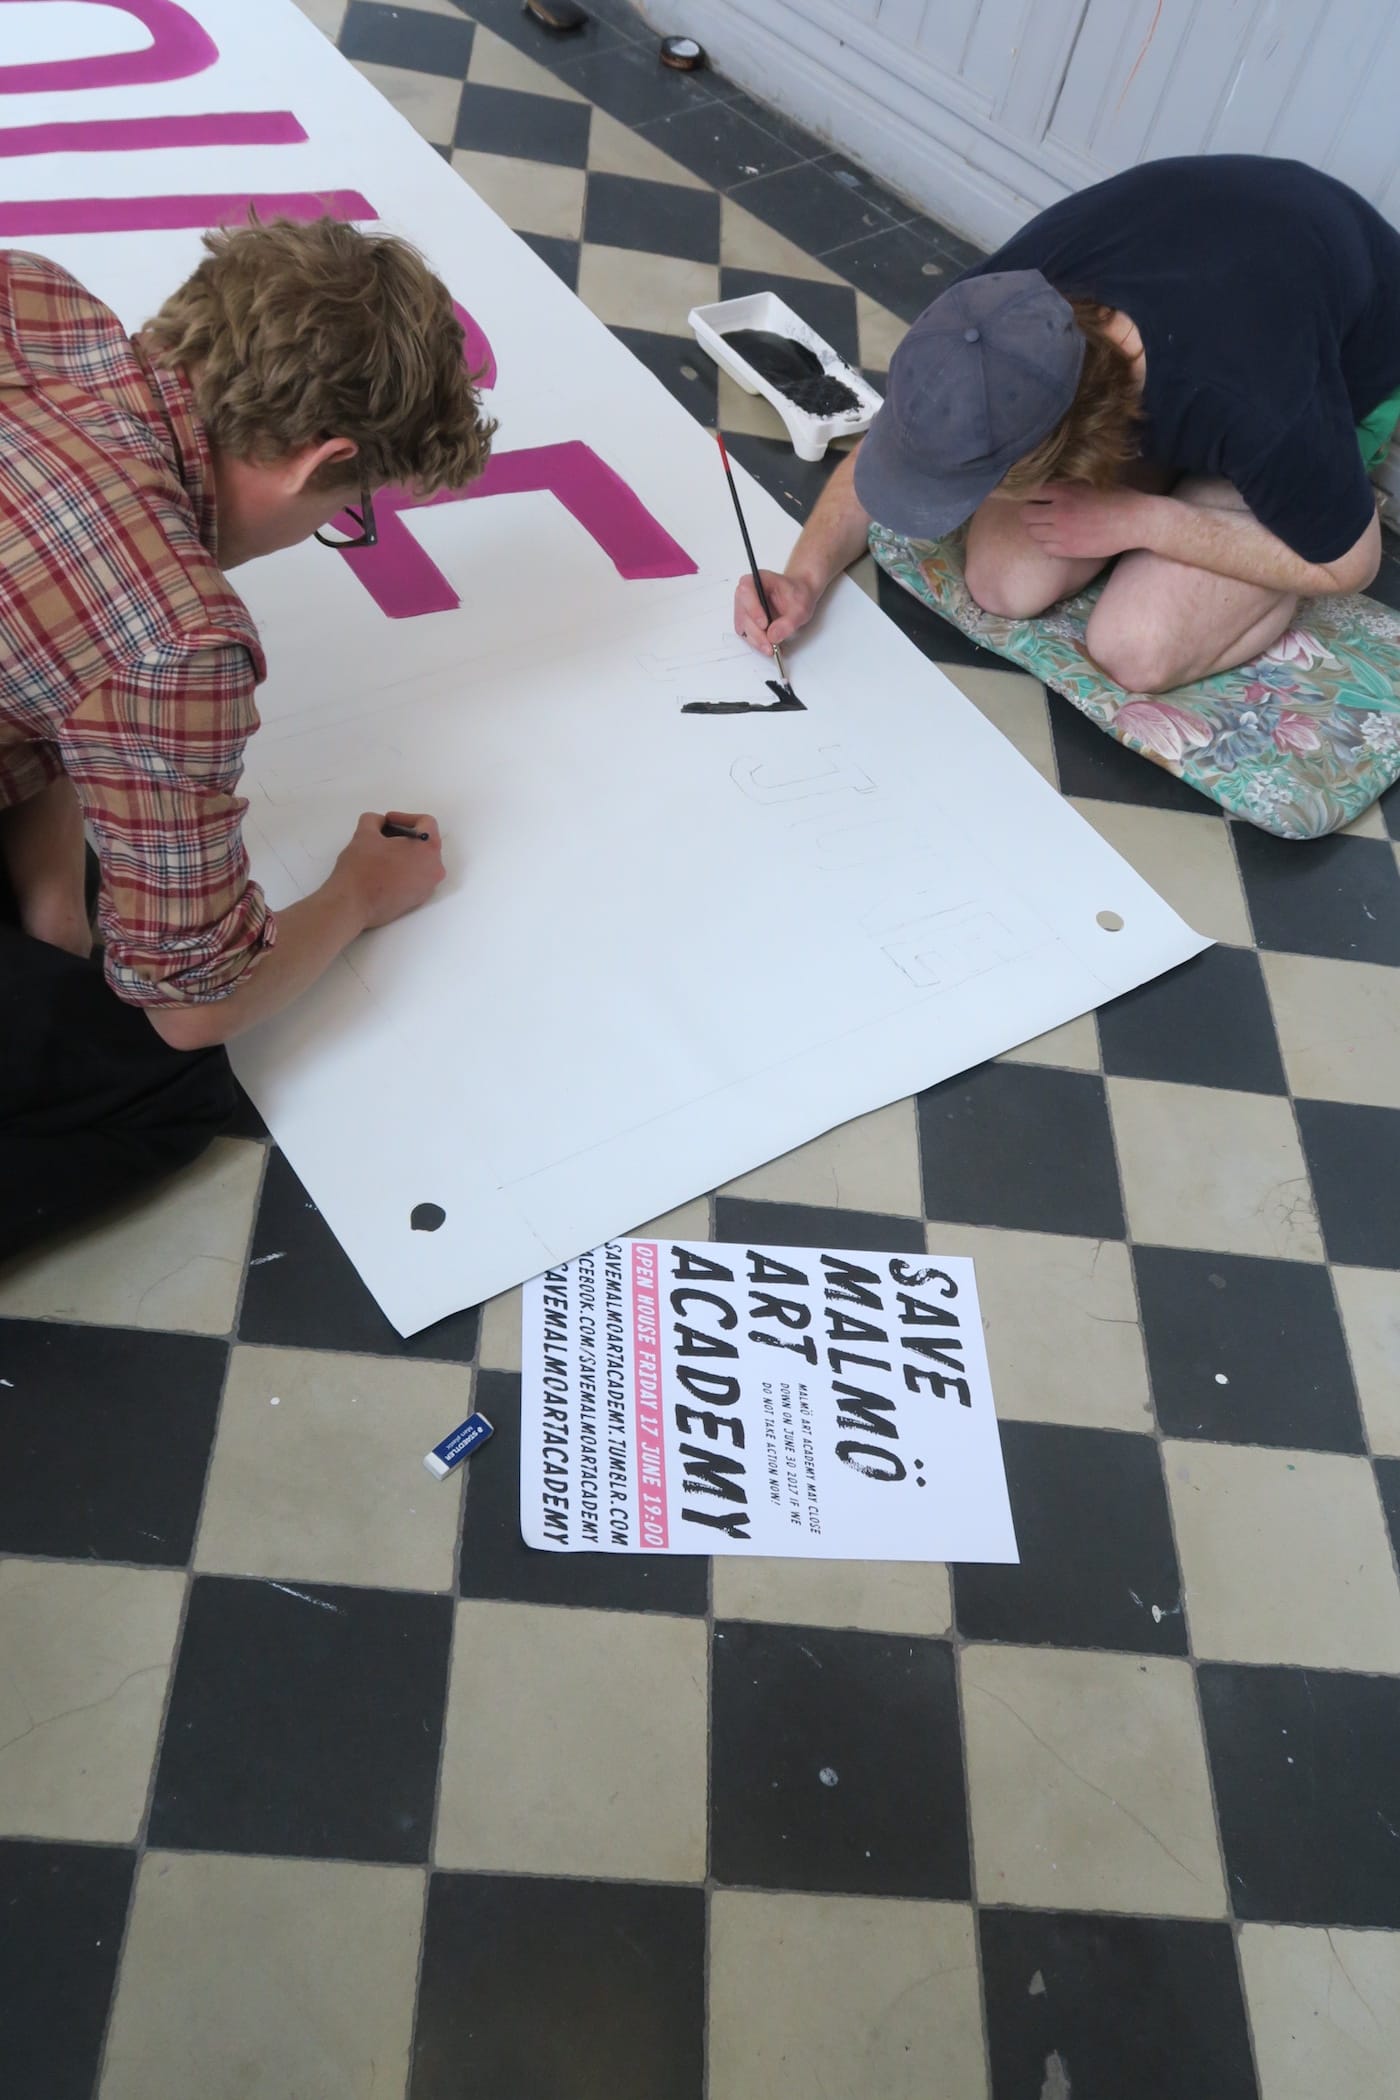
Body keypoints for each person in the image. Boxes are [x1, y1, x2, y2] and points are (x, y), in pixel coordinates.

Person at [0, 216, 494, 1255]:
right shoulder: (173, 636)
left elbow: (35, 617)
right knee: (169, 1086)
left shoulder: (30, 299)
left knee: (81, 914)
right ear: (324, 459)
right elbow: (194, 1007)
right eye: (347, 506)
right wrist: (356, 894)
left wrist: (52, 898)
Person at [734, 155, 1400, 697]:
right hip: (1218, 278)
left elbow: (1349, 562)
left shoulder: (1256, 397)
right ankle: (1195, 486)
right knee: (1004, 581)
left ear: (1054, 451)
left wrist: (1145, 522)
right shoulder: (991, 311)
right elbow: (905, 446)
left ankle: (1247, 509)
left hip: (1338, 358)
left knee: (1136, 647)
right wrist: (805, 577)